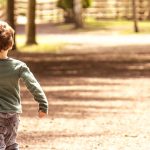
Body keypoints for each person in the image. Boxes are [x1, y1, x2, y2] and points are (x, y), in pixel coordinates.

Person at [0, 21, 48, 150]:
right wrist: (43, 104)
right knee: (10, 144)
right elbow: (33, 85)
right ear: (10, 44)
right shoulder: (18, 66)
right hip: (12, 114)